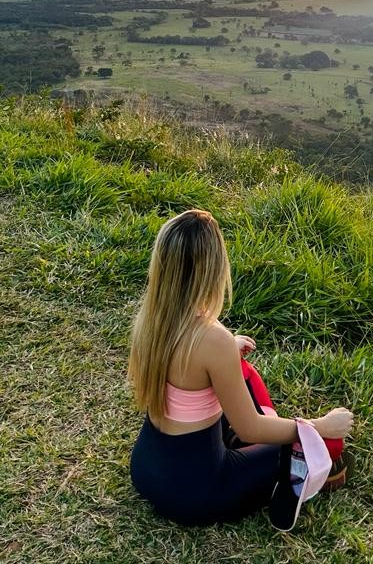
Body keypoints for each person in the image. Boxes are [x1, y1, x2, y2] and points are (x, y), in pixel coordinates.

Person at [128, 208, 353, 526]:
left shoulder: (150, 320)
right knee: (317, 445)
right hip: (198, 492)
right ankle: (304, 476)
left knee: (242, 379)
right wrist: (317, 426)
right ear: (214, 270)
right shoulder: (211, 338)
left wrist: (227, 352)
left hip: (147, 469)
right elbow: (250, 427)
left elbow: (184, 370)